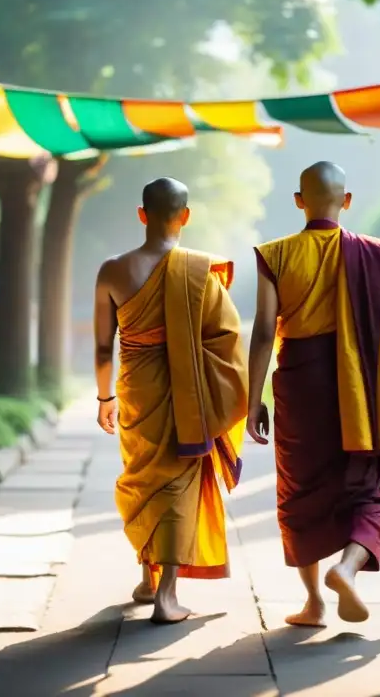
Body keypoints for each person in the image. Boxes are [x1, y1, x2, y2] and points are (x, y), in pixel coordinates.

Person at [246, 161, 380, 628]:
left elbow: (264, 331)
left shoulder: (275, 255)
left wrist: (252, 402)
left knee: (300, 491)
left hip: (298, 387)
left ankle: (313, 603)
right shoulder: (377, 257)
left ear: (299, 201)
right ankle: (347, 567)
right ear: (346, 201)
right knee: (369, 488)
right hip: (361, 389)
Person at [93, 177, 248, 625]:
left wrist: (105, 397)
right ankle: (166, 593)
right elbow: (227, 340)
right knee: (177, 483)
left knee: (141, 478)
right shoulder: (201, 273)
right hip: (187, 396)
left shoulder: (111, 271)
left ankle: (146, 576)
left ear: (142, 215)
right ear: (185, 216)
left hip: (136, 388)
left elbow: (105, 346)